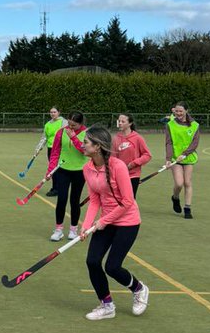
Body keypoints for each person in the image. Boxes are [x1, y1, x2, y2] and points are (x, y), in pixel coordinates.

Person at [79, 124, 149, 320]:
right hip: (106, 221)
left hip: (128, 221)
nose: (82, 146)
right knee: (92, 261)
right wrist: (86, 226)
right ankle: (107, 305)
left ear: (98, 146)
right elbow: (94, 200)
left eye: (86, 143)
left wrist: (103, 221)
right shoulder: (88, 168)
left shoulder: (117, 166)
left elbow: (127, 201)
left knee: (112, 267)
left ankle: (139, 289)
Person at [45, 111, 87, 241]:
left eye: (73, 125)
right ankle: (58, 230)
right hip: (63, 170)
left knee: (75, 201)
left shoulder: (88, 133)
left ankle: (73, 230)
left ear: (80, 124)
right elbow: (55, 153)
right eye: (69, 124)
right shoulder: (61, 132)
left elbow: (84, 150)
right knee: (61, 199)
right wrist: (50, 170)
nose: (70, 127)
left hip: (80, 171)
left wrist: (73, 137)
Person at [165, 103, 200, 219]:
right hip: (175, 158)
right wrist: (168, 159)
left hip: (188, 158)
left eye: (181, 111)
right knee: (179, 183)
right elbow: (169, 142)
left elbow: (195, 143)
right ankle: (175, 197)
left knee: (187, 183)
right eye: (176, 111)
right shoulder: (170, 124)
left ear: (186, 111)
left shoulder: (195, 125)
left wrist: (185, 154)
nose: (178, 113)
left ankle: (187, 208)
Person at [111, 113, 152, 198]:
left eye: (123, 121)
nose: (120, 123)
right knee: (118, 200)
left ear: (130, 123)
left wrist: (134, 163)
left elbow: (147, 155)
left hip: (133, 175)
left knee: (130, 200)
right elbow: (112, 157)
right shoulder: (116, 138)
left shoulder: (137, 138)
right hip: (119, 174)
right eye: (119, 121)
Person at [43, 106, 66, 196]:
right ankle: (56, 188)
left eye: (54, 112)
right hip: (50, 149)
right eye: (51, 112)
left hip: (60, 149)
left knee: (58, 169)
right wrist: (38, 148)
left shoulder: (64, 122)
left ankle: (56, 189)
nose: (52, 114)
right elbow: (44, 137)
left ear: (59, 112)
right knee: (53, 169)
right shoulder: (48, 124)